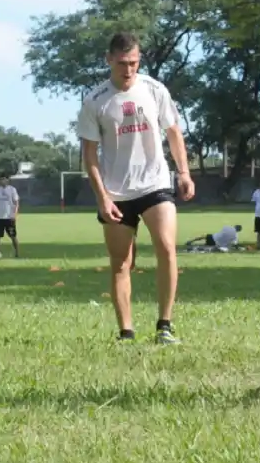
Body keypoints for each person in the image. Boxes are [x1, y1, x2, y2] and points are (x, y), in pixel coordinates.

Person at [76, 31, 195, 345]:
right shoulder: (95, 101)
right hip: (116, 192)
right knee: (121, 263)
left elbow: (173, 132)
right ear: (108, 60)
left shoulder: (154, 90)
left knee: (166, 248)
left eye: (133, 62)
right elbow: (89, 155)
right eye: (121, 63)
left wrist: (184, 173)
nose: (128, 69)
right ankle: (126, 332)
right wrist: (102, 197)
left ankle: (165, 326)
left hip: (155, 184)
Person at [0, 174, 21, 258]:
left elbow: (16, 203)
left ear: (7, 180)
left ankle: (17, 253)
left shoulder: (12, 189)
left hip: (9, 217)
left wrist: (15, 215)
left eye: (4, 179)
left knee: (13, 236)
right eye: (0, 179)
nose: (2, 181)